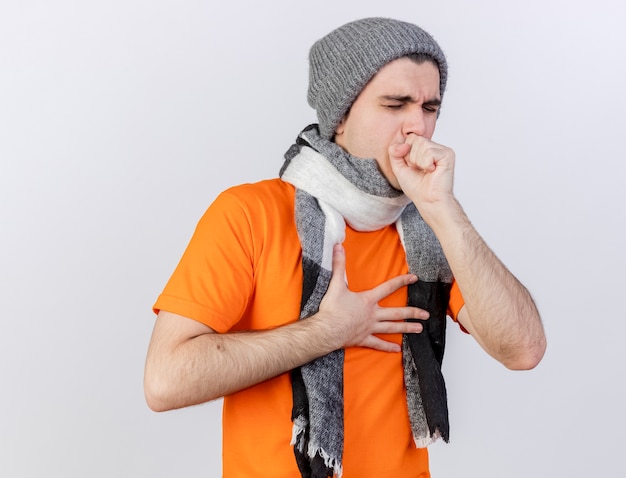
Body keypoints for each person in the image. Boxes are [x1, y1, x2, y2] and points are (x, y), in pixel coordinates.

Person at [144, 17, 546, 478]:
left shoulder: (430, 228)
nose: (417, 127)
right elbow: (165, 380)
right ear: (340, 116)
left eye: (430, 107)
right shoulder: (249, 214)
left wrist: (443, 209)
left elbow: (523, 349)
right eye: (395, 104)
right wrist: (326, 332)